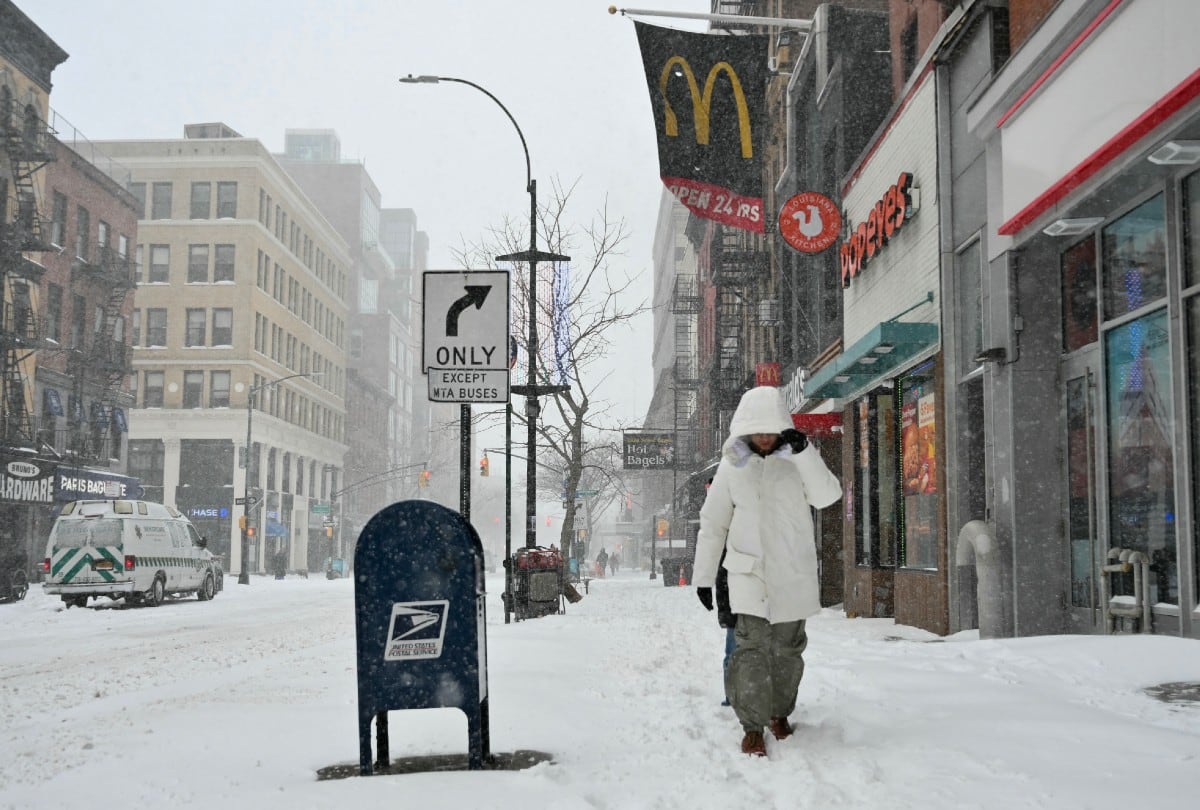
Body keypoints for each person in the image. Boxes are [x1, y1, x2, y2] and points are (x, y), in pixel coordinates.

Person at [692, 385, 842, 757]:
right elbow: (713, 523)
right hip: (748, 576)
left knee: (788, 652)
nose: (763, 436)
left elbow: (828, 496)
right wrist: (703, 578)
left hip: (792, 574)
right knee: (751, 652)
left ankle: (779, 712)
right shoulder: (732, 466)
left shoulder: (799, 460)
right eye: (756, 429)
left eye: (769, 428)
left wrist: (806, 454)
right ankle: (752, 725)